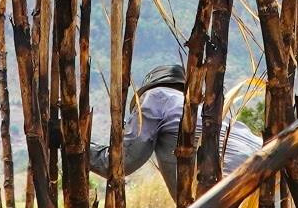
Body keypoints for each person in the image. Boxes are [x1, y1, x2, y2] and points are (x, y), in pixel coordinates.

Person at [87, 65, 265, 187]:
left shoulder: (156, 97)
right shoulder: (220, 116)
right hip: (267, 195)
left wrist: (75, 144)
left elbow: (122, 162)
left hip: (226, 194)